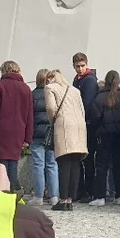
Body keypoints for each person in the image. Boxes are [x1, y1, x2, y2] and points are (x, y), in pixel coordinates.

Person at [0, 61, 34, 193]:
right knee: (13, 161)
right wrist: (28, 137)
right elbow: (29, 115)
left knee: (1, 163)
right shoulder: (25, 89)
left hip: (0, 130)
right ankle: (13, 191)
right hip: (19, 130)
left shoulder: (0, 86)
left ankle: (5, 191)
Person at [45, 70, 87, 211]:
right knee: (75, 162)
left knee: (64, 162)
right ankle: (70, 199)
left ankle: (62, 199)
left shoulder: (50, 88)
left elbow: (51, 107)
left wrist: (54, 120)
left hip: (63, 125)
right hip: (79, 126)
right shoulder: (75, 90)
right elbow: (82, 108)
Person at [87, 70, 120, 206]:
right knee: (119, 165)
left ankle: (100, 196)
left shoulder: (99, 98)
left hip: (104, 135)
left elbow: (94, 118)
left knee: (101, 165)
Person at [72, 53, 99, 203]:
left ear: (86, 64)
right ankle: (82, 189)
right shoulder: (78, 80)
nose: (80, 69)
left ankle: (88, 190)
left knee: (87, 159)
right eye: (77, 66)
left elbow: (87, 104)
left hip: (87, 124)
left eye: (82, 66)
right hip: (82, 123)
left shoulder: (88, 81)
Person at [30, 69, 59, 207]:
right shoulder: (53, 93)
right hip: (51, 132)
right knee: (52, 164)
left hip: (37, 133)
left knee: (38, 165)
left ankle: (39, 196)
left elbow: (29, 116)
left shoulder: (33, 94)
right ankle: (54, 196)